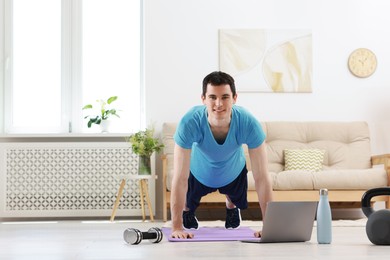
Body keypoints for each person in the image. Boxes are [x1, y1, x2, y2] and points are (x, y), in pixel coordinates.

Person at [170, 71, 273, 239]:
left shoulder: (248, 123)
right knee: (187, 204)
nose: (218, 103)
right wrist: (176, 227)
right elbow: (180, 178)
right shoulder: (189, 122)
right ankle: (187, 211)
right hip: (199, 172)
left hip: (232, 171)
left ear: (234, 98)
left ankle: (231, 206)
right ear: (203, 99)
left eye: (225, 97)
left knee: (234, 197)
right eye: (212, 97)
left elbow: (262, 177)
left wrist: (270, 226)